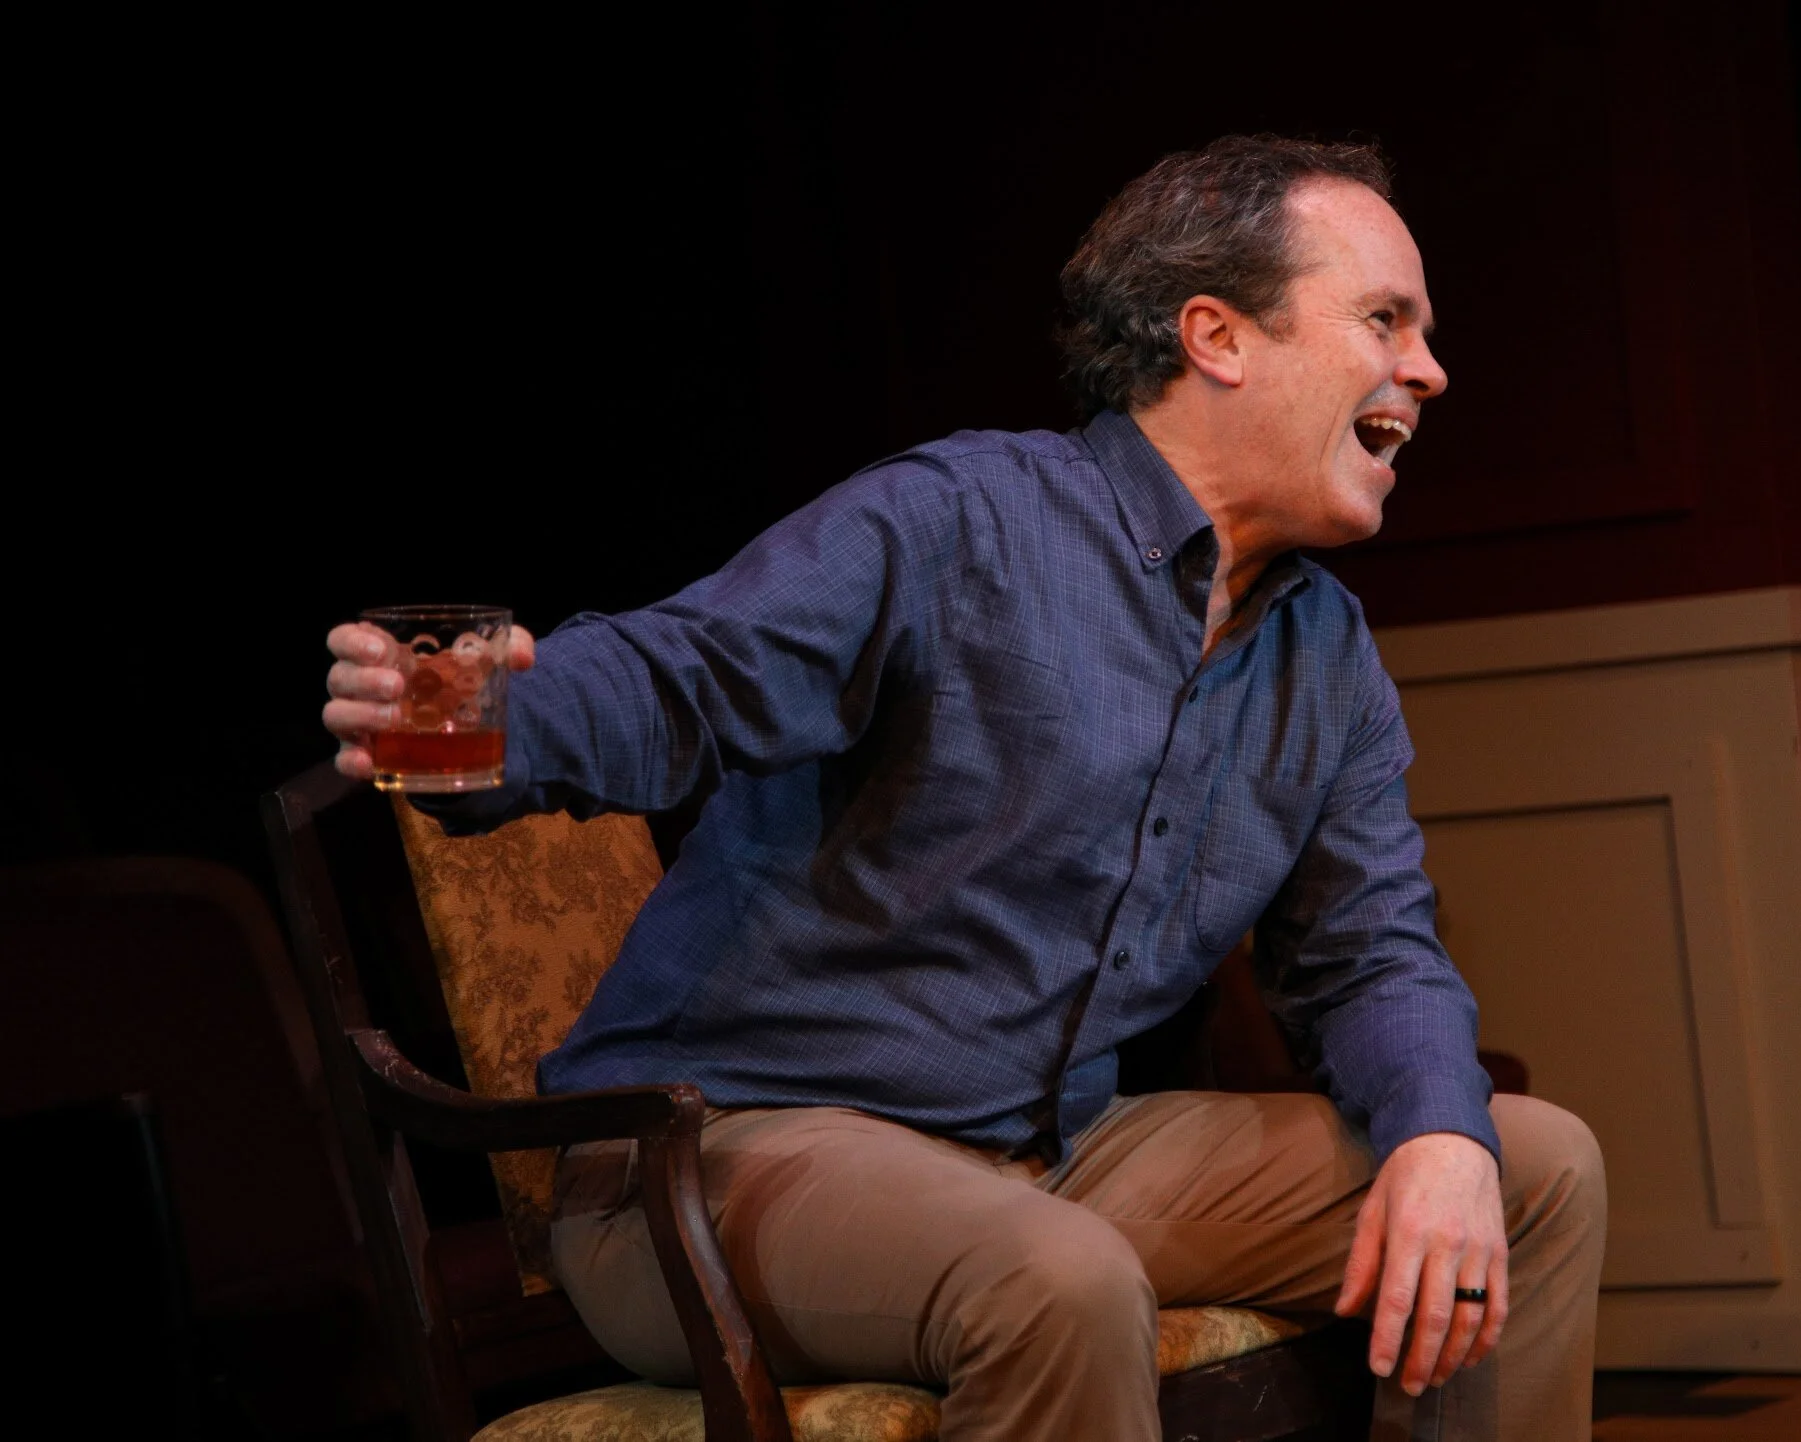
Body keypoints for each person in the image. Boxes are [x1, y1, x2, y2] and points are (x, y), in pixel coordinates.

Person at [322, 135, 1605, 1441]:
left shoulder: (1323, 651)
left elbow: (1372, 949)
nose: (1428, 369)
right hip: (725, 1155)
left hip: (1050, 1154)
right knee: (1056, 1280)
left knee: (1526, 1170)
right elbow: (687, 676)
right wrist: (492, 716)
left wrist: (1439, 1133)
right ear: (1216, 336)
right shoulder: (961, 522)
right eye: (1384, 319)